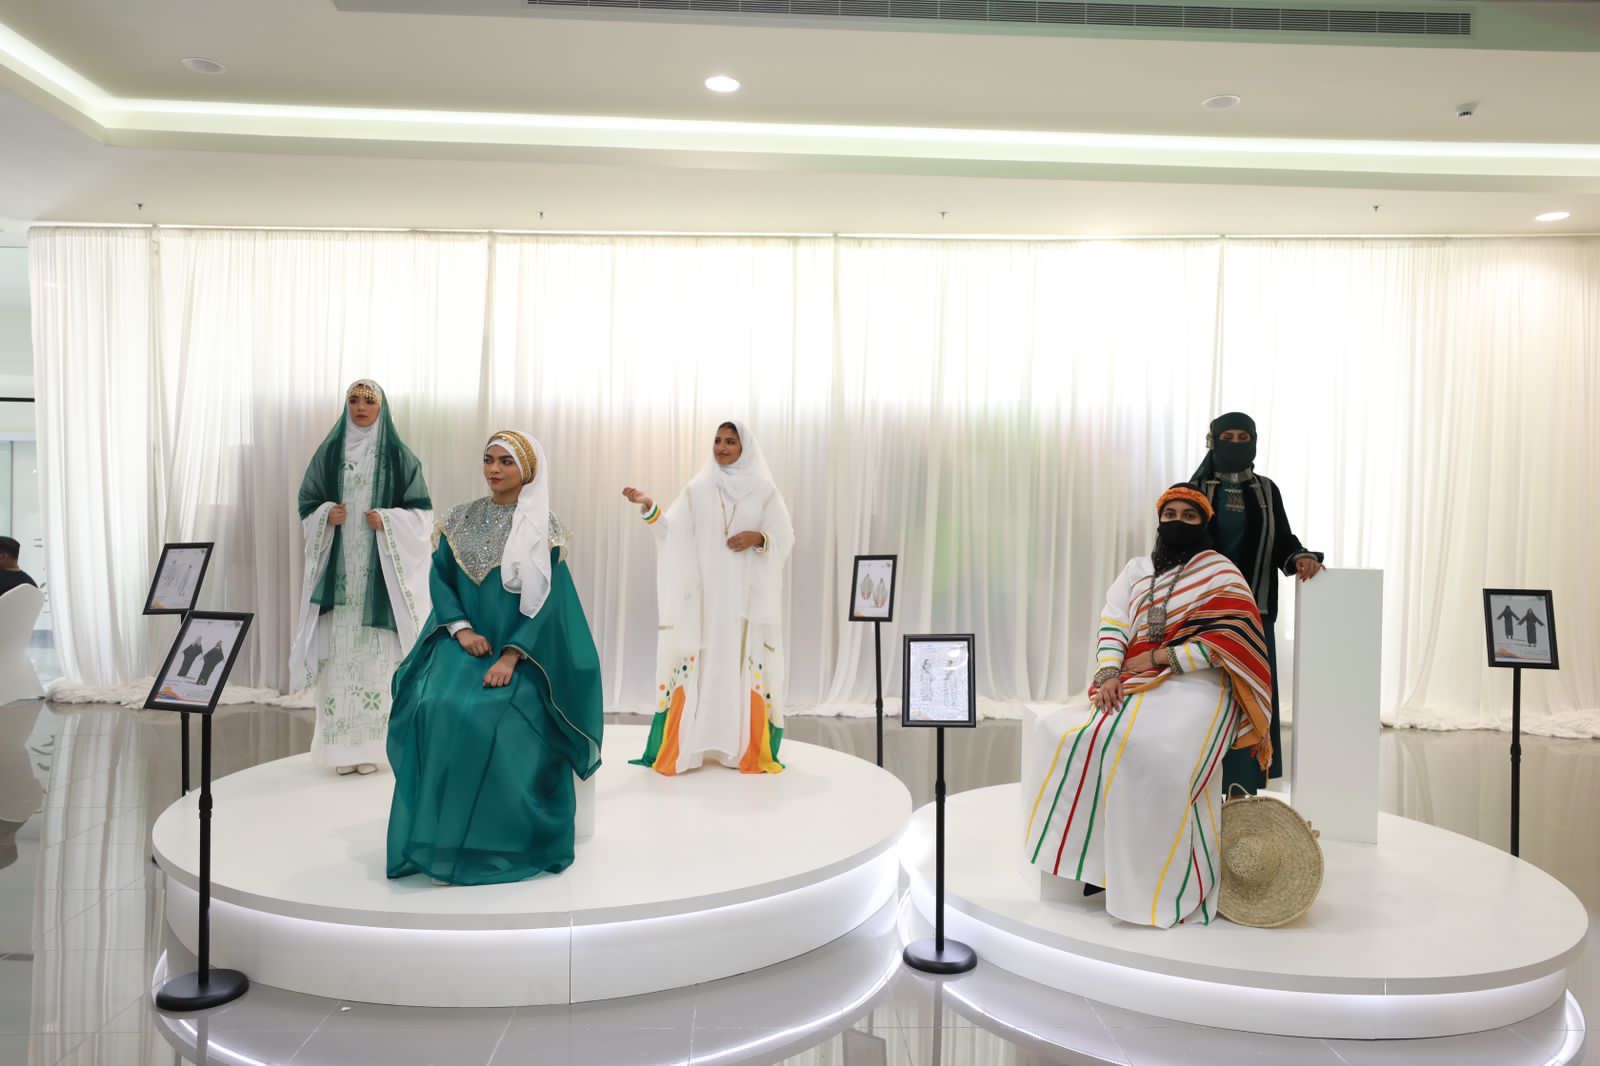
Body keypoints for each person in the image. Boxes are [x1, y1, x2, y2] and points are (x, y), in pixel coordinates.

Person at [1024, 485, 1272, 929]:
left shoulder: (1220, 571)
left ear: (1204, 524)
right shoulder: (1136, 570)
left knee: (1155, 753)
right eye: (1170, 514)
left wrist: (1164, 657)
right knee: (1081, 736)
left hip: (1202, 681)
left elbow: (1234, 640)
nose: (1178, 522)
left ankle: (1158, 887)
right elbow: (1113, 622)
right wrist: (1108, 673)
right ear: (1159, 521)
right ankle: (1100, 868)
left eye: (1189, 516)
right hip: (1137, 679)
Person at [386, 431, 603, 886]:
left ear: (527, 470)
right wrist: (461, 629)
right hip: (463, 641)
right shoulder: (460, 518)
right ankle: (439, 831)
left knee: (490, 714)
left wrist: (510, 657)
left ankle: (504, 835)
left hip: (525, 653)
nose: (494, 469)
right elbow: (440, 578)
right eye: (489, 460)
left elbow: (549, 604)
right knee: (431, 704)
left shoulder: (542, 528)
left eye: (506, 462)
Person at [622, 420, 795, 776]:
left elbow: (785, 536)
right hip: (704, 603)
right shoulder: (699, 489)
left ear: (745, 447)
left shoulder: (764, 491)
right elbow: (671, 531)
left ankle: (741, 750)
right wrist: (649, 506)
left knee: (739, 663)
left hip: (744, 603)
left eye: (730, 441)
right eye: (717, 440)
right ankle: (691, 747)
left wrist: (759, 538)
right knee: (701, 664)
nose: (722, 447)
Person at [290, 380, 433, 777]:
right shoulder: (330, 454)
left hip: (377, 584)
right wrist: (325, 515)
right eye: (353, 400)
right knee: (337, 661)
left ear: (381, 407)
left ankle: (372, 747)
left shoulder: (398, 457)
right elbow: (307, 504)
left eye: (369, 401)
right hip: (340, 583)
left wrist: (389, 520)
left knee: (375, 663)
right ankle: (338, 749)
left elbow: (423, 517)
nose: (360, 407)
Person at [1189, 411, 1323, 792]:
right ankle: (1202, 781)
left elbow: (1282, 540)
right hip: (1206, 613)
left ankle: (1245, 787)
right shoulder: (1194, 490)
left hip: (1255, 612)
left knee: (1253, 696)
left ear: (1255, 442)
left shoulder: (1267, 490)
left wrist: (1300, 557)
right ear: (1212, 442)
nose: (1235, 444)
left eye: (1243, 437)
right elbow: (1176, 539)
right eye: (1227, 437)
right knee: (1208, 695)